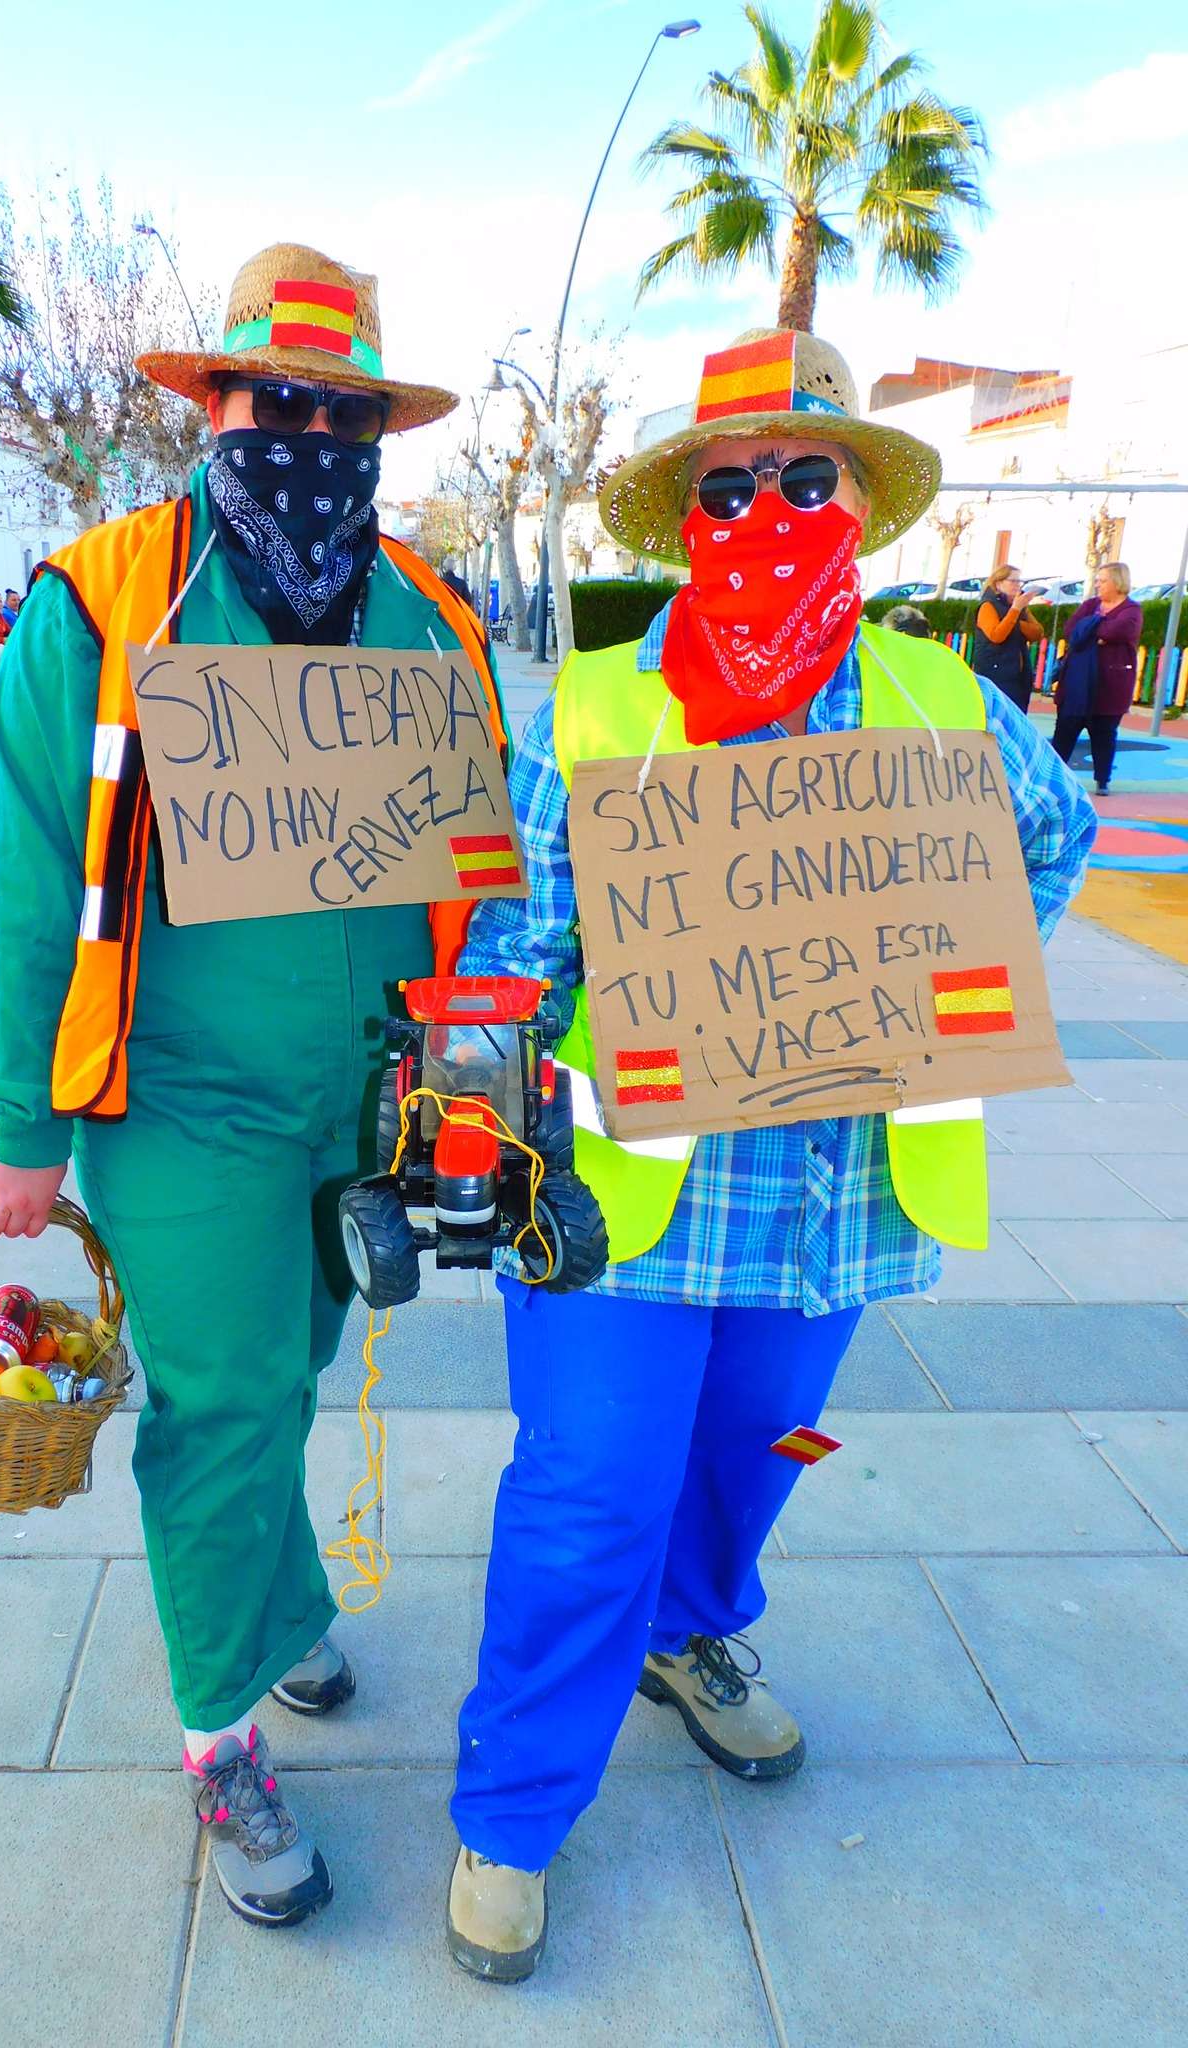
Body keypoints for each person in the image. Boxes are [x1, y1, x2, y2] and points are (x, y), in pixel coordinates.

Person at [443, 327, 1097, 1983]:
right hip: (631, 1203)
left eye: (805, 478)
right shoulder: (598, 700)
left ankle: (692, 1634)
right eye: (729, 486)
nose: (767, 507)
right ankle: (512, 1811)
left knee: (752, 1460)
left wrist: (951, 966)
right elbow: (515, 945)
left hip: (834, 1204)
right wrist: (491, 1143)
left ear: (855, 507)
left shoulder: (940, 692)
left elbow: (1056, 835)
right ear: (687, 515)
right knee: (589, 1495)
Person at [0, 242, 506, 1931]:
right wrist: (20, 1132)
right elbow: (25, 873)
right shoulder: (102, 600)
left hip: (360, 1097)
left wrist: (468, 1087)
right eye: (282, 400)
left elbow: (477, 880)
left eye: (346, 411)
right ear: (216, 402)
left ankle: (278, 1611)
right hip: (174, 1103)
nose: (312, 433)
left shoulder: (427, 614)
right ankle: (220, 1739)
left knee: (305, 1354)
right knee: (224, 1402)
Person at [1051, 562, 1143, 796]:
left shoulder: (1132, 610)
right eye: (1098, 580)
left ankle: (1102, 779)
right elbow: (1071, 629)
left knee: (1104, 733)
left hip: (1110, 685)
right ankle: (1053, 775)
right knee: (1065, 730)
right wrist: (1097, 631)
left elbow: (1120, 631)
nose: (1098, 584)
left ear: (1117, 582)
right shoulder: (1091, 605)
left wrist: (1090, 629)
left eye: (1103, 580)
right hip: (1077, 683)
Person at [972, 564, 1043, 710]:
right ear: (998, 584)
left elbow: (1037, 633)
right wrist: (1015, 610)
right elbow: (996, 636)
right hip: (995, 673)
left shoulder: (1017, 607)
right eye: (1013, 581)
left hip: (1018, 674)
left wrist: (1017, 613)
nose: (1018, 585)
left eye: (1020, 581)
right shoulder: (988, 606)